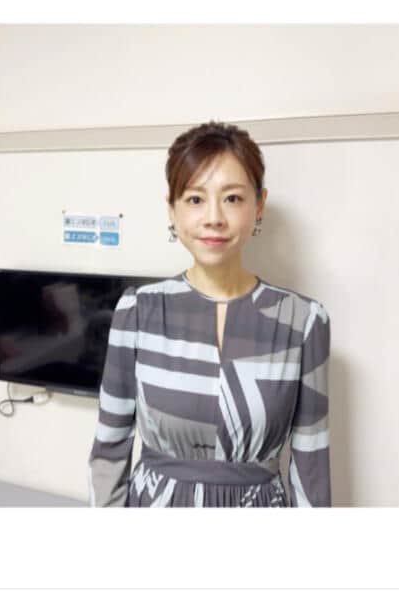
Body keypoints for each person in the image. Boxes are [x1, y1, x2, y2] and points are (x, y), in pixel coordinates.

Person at [87, 120, 331, 507]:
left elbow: (312, 466)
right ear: (172, 209)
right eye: (195, 199)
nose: (214, 217)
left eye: (232, 198)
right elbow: (109, 450)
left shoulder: (303, 322)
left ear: (259, 204)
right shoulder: (137, 312)